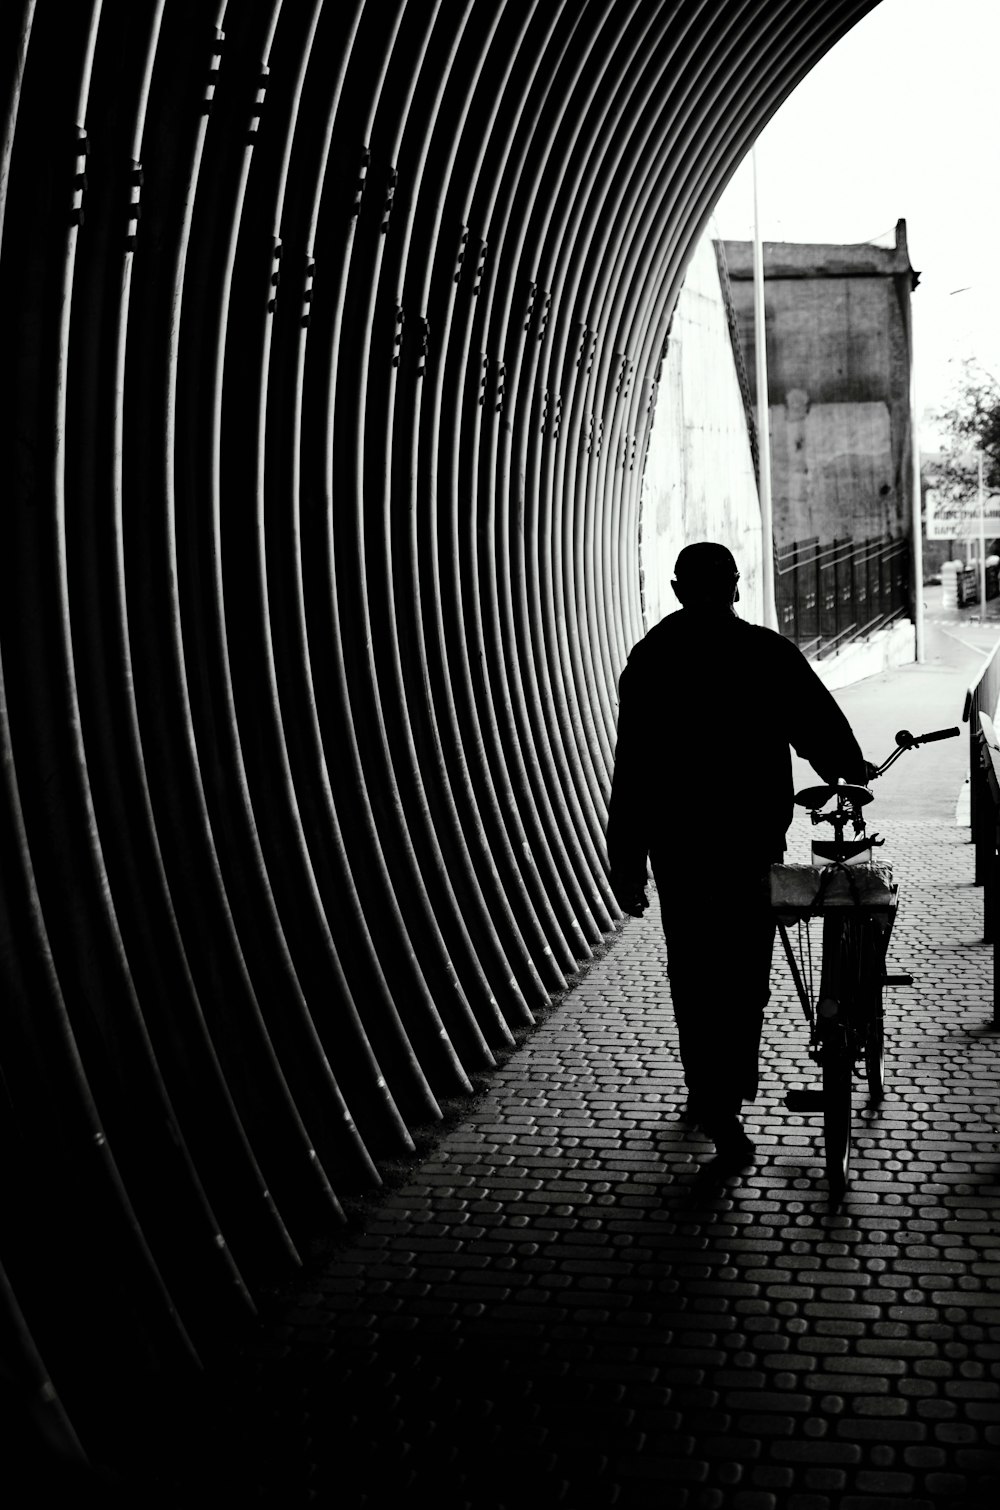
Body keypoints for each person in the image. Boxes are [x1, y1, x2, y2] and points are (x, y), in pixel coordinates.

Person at [606, 541, 869, 1172]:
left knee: (693, 973)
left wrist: (626, 861)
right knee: (743, 978)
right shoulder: (764, 654)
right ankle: (726, 1107)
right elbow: (819, 727)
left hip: (678, 851)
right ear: (736, 586)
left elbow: (632, 769)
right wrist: (848, 769)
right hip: (749, 848)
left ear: (676, 591)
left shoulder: (651, 659)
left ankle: (708, 1093)